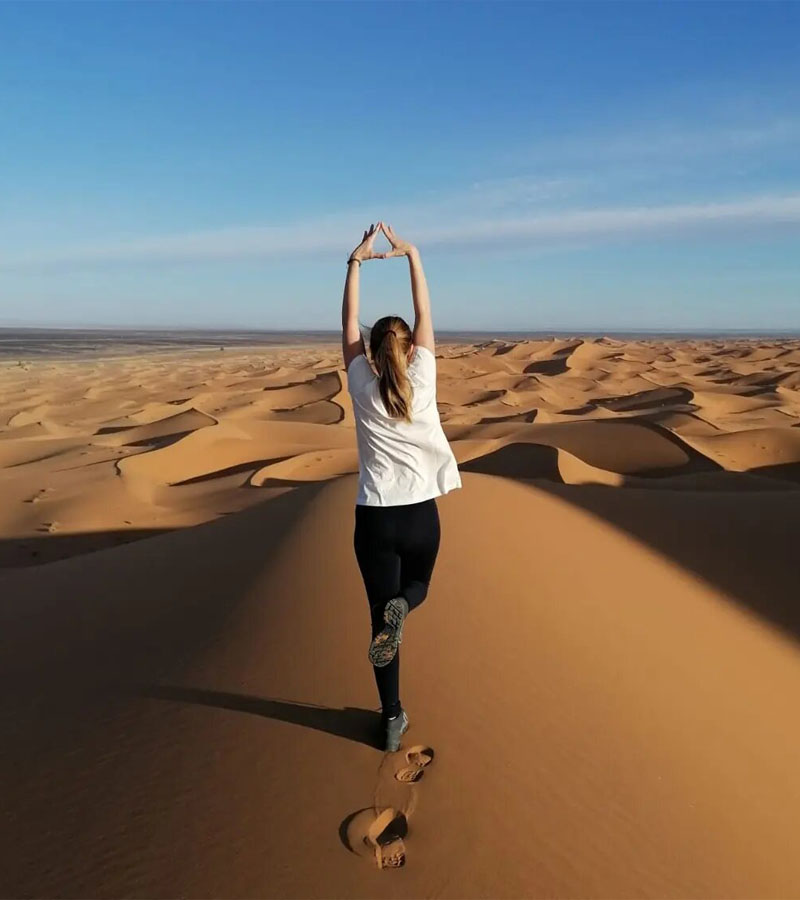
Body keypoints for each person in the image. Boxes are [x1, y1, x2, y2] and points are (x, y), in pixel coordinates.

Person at [341, 221, 462, 752]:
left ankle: (391, 719)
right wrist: (412, 253)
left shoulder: (362, 383)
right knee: (419, 590)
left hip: (375, 520)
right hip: (420, 519)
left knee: (378, 625)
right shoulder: (426, 376)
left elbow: (347, 322)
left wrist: (356, 261)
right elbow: (426, 313)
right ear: (411, 350)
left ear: (371, 350)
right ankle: (405, 608)